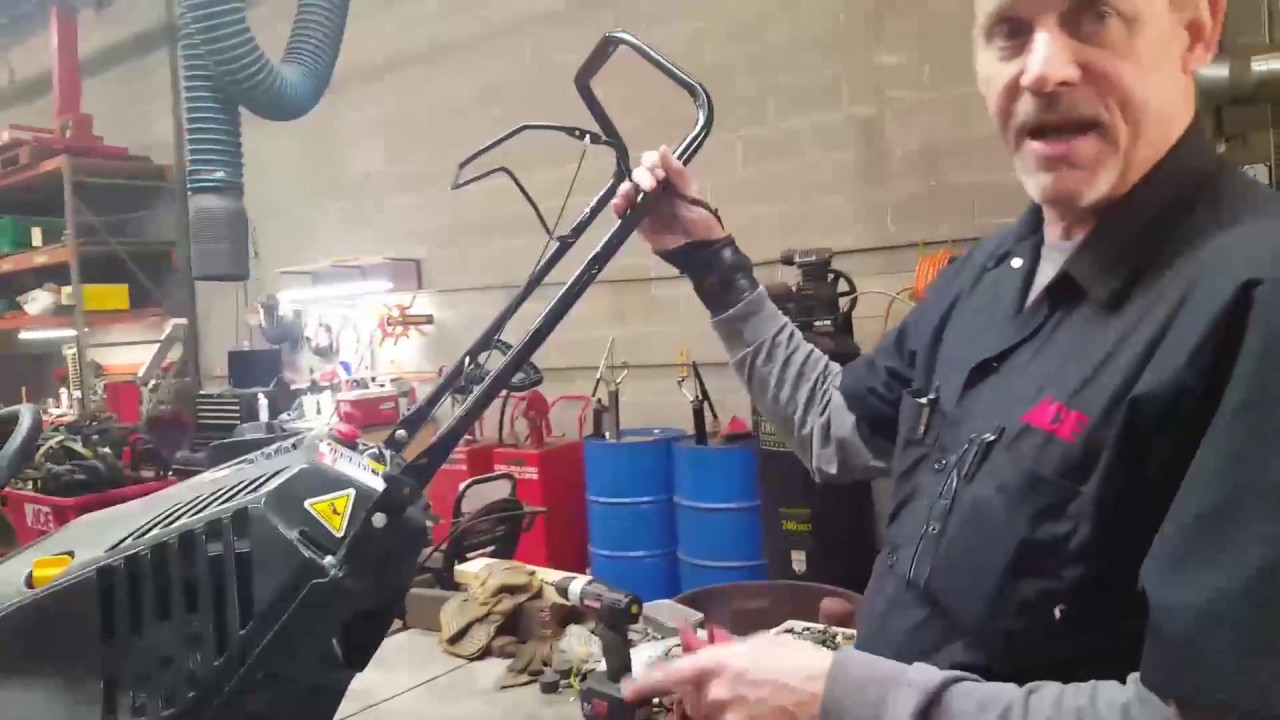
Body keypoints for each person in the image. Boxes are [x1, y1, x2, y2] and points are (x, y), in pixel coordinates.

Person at [611, 0, 1280, 718]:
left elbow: (1202, 711)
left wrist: (847, 695)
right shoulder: (995, 271)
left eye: (1093, 15)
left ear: (1197, 29)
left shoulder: (1252, 297)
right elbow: (835, 429)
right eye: (1009, 31)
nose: (1043, 68)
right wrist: (712, 263)